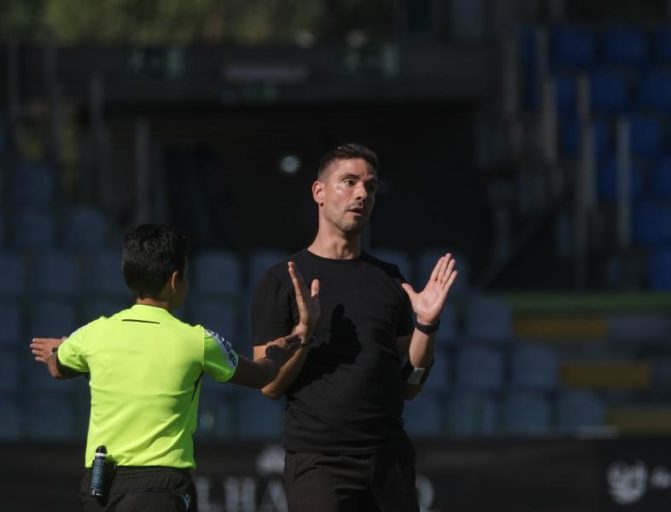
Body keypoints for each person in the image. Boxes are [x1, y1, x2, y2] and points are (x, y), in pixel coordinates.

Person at [29, 223, 319, 512]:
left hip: (100, 489)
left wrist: (57, 349)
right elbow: (261, 376)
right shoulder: (197, 340)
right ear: (176, 280)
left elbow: (58, 367)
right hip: (160, 489)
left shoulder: (93, 334)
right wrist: (277, 352)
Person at [250, 143, 457, 512]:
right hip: (320, 464)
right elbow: (269, 385)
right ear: (319, 192)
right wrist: (305, 333)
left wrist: (427, 326)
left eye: (370, 187)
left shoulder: (389, 280)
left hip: (389, 460)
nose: (362, 193)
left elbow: (411, 385)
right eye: (349, 182)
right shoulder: (282, 280)